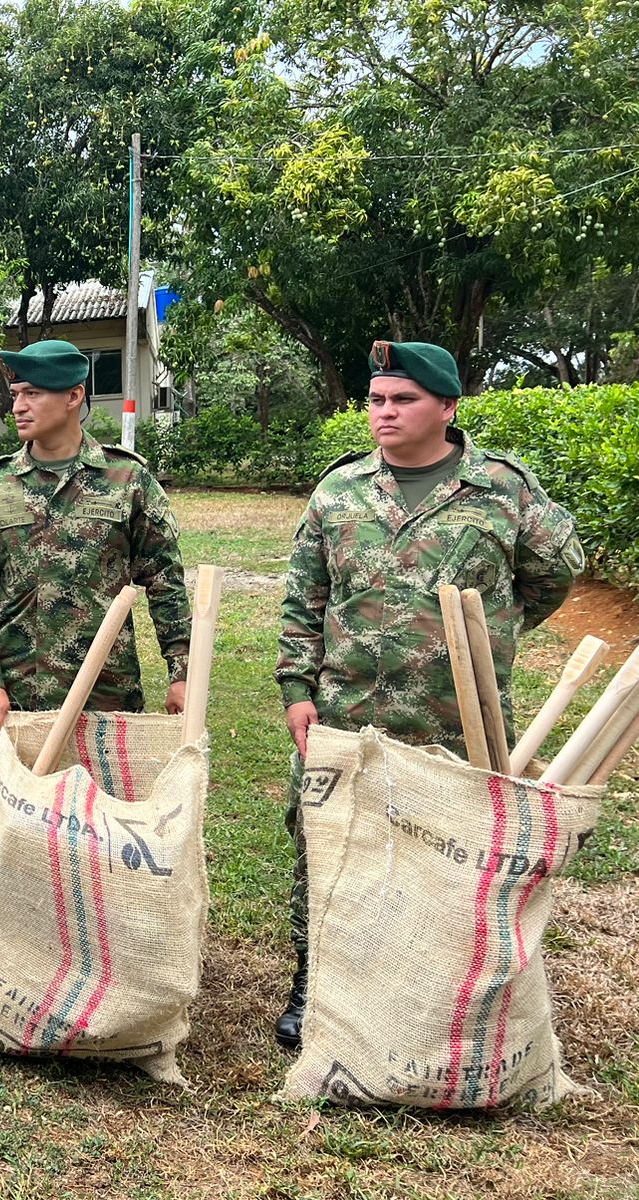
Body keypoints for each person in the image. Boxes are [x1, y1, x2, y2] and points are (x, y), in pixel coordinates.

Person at [271, 338, 583, 1051]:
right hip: (347, 710)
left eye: (403, 400)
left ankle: (430, 991)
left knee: (448, 852)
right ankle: (312, 984)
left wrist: (489, 634)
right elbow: (303, 599)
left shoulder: (503, 490)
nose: (385, 412)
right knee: (324, 844)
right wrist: (296, 686)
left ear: (447, 406)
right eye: (377, 399)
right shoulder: (339, 491)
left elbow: (554, 574)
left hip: (455, 714)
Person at [0, 338, 192, 757]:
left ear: (74, 396)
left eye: (33, 393)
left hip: (107, 694)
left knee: (106, 819)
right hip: (17, 695)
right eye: (16, 395)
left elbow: (165, 583)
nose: (18, 407)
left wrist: (183, 673)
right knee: (25, 820)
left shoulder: (126, 479)